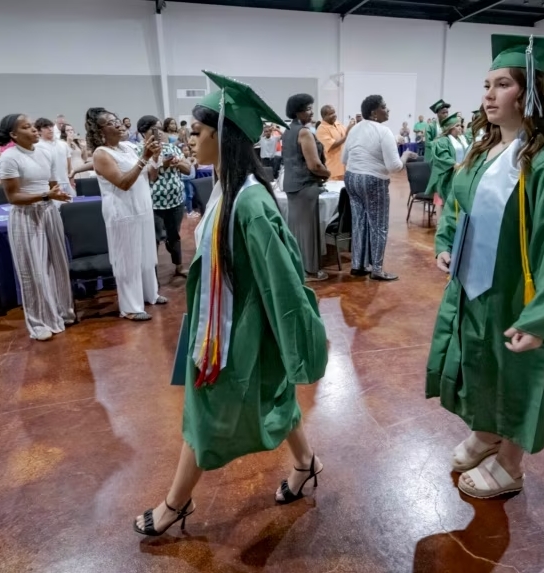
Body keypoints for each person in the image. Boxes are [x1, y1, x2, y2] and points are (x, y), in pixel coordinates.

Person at [133, 72, 327, 537]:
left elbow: (282, 280)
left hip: (235, 330)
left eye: (197, 132)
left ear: (221, 136)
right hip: (217, 318)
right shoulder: (226, 188)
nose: (190, 139)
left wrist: (292, 346)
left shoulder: (251, 203)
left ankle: (175, 504)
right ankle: (306, 464)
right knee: (273, 397)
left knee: (205, 412)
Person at [427, 35, 544, 499]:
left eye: (502, 84)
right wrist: (446, 243)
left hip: (521, 292)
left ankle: (510, 463)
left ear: (531, 94)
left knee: (521, 374)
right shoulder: (483, 152)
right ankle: (487, 432)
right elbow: (456, 208)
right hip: (477, 286)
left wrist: (543, 316)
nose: (488, 94)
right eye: (486, 84)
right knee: (481, 364)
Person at [0, 114, 75, 341]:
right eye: (27, 127)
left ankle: (61, 311)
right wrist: (46, 194)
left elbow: (50, 184)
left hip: (48, 212)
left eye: (34, 127)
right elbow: (13, 196)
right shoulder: (9, 157)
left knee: (57, 264)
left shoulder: (44, 152)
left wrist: (55, 193)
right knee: (34, 270)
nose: (35, 130)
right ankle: (38, 323)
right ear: (14, 135)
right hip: (26, 216)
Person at [86, 108, 167, 321]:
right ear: (100, 130)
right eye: (111, 123)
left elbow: (152, 176)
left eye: (117, 120)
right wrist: (144, 157)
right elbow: (122, 183)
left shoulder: (129, 147)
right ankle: (130, 307)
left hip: (142, 208)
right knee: (128, 258)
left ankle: (150, 294)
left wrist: (155, 158)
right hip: (123, 212)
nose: (119, 124)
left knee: (146, 255)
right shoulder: (101, 154)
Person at [342, 94, 416, 281]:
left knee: (358, 221)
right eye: (384, 106)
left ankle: (357, 265)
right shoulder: (384, 132)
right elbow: (394, 167)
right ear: (375, 112)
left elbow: (344, 159)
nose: (388, 109)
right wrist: (406, 155)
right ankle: (377, 269)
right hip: (373, 181)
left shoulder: (354, 130)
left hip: (351, 177)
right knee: (379, 225)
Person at [135, 115, 193, 277]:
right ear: (142, 133)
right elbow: (151, 176)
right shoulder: (138, 151)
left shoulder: (172, 147)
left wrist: (176, 162)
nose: (159, 133)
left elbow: (188, 170)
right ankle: (152, 274)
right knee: (154, 239)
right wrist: (158, 160)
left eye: (160, 129)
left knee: (174, 235)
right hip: (154, 203)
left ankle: (179, 266)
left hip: (175, 200)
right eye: (154, 129)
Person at [281, 93, 330, 281]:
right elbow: (314, 165)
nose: (311, 112)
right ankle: (310, 271)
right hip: (305, 185)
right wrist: (327, 173)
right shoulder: (304, 132)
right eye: (308, 108)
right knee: (308, 231)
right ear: (298, 112)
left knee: (296, 229)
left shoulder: (287, 131)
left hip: (292, 185)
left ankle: (297, 266)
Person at [425, 112, 469, 209]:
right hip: (445, 175)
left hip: (460, 173)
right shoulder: (443, 141)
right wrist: (454, 164)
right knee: (441, 201)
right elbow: (443, 156)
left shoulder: (462, 139)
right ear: (450, 128)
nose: (460, 127)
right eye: (457, 126)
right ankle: (440, 223)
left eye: (460, 125)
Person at [34, 118, 74, 197]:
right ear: (39, 131)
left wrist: (71, 181)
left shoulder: (63, 144)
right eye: (45, 127)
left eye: (51, 126)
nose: (50, 129)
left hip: (65, 182)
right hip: (48, 185)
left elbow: (69, 165)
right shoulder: (37, 147)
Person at [316, 105, 353, 181]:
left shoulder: (338, 124)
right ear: (324, 116)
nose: (334, 115)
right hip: (333, 170)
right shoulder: (321, 129)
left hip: (345, 168)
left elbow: (348, 135)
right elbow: (332, 145)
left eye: (334, 112)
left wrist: (353, 127)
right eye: (330, 114)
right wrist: (347, 135)